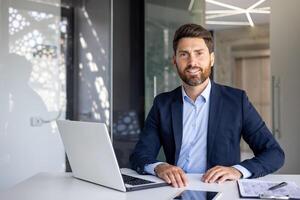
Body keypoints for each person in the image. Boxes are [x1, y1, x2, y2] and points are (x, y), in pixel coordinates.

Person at [130, 24, 284, 188]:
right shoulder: (162, 103)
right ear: (174, 60)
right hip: (174, 189)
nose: (192, 62)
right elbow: (140, 155)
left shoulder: (236, 101)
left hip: (220, 189)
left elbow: (274, 153)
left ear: (212, 59)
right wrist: (159, 167)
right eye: (184, 54)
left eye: (199, 53)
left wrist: (237, 170)